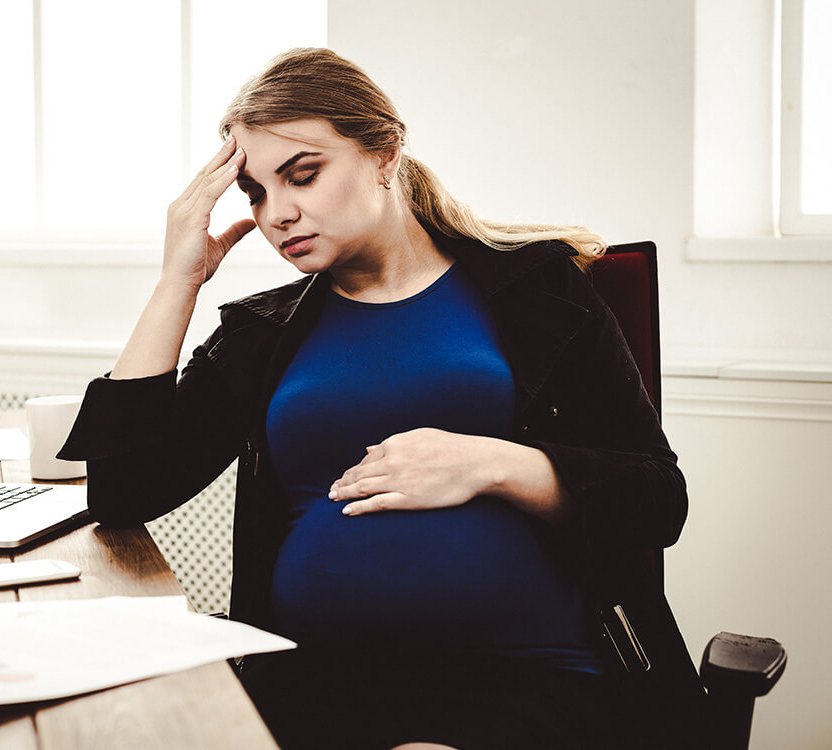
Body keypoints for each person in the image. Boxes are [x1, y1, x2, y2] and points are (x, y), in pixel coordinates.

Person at [60, 48, 705, 750]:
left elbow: (656, 498)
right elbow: (121, 492)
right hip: (314, 683)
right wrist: (177, 281)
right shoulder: (261, 333)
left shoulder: (541, 290)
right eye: (254, 193)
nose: (278, 214)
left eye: (302, 175)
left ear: (385, 154)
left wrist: (493, 464)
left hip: (526, 678)